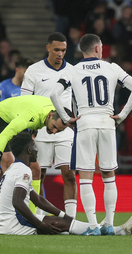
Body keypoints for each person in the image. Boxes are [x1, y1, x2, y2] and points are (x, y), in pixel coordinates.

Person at [50, 34, 132, 235]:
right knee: (109, 176)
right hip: (108, 122)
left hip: (85, 123)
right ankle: (108, 224)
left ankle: (93, 226)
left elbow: (54, 94)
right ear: (99, 49)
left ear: (81, 50)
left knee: (86, 177)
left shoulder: (72, 70)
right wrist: (122, 115)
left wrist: (66, 118)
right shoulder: (112, 68)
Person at [0, 131, 132, 235]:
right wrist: (39, 224)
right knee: (63, 225)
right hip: (14, 225)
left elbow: (38, 199)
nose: (37, 150)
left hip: (7, 223)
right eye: (34, 147)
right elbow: (17, 201)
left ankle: (99, 227)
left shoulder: (14, 169)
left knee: (63, 223)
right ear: (29, 150)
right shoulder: (23, 170)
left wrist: (62, 214)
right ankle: (118, 231)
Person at [20, 32, 78, 218]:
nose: (60, 54)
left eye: (63, 50)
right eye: (56, 50)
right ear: (47, 48)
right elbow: (25, 102)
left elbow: (78, 100)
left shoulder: (73, 71)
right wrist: (29, 130)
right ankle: (36, 217)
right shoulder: (34, 71)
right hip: (41, 131)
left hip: (65, 130)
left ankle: (70, 219)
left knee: (69, 174)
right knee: (38, 175)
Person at [0, 95, 77, 190]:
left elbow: (36, 113)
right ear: (50, 115)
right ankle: (6, 203)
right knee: (8, 163)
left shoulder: (56, 110)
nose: (54, 132)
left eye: (59, 130)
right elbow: (4, 136)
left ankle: (33, 205)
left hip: (18, 116)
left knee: (35, 169)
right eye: (54, 126)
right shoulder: (31, 116)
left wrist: (33, 133)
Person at [0, 57, 33, 221]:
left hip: (23, 134)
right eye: (26, 71)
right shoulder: (3, 87)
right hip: (5, 131)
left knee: (30, 169)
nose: (28, 75)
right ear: (18, 70)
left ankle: (28, 208)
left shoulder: (29, 88)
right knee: (3, 166)